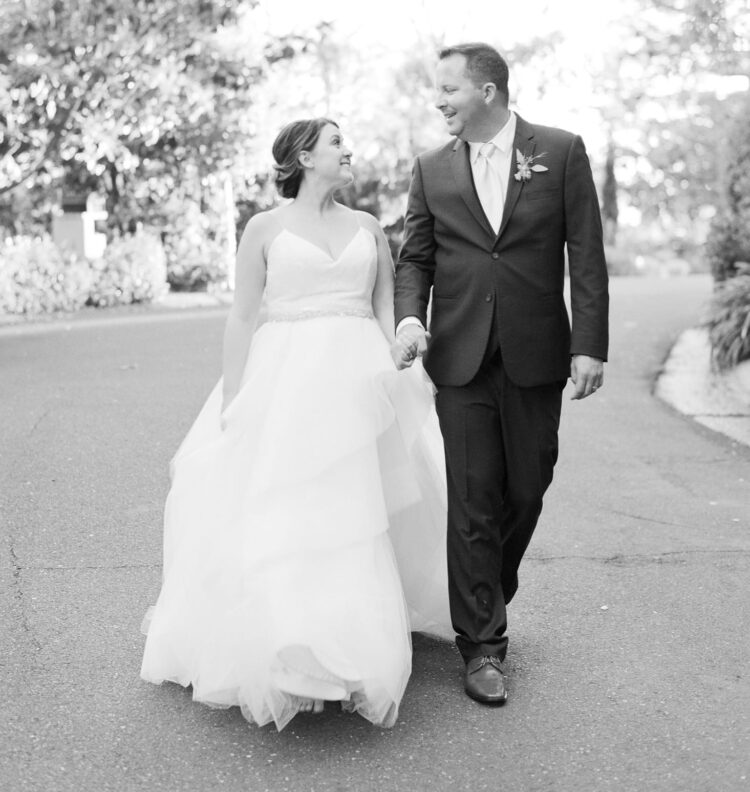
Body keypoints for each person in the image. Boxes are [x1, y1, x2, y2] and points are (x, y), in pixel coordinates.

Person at [140, 118, 450, 731]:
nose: (349, 148)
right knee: (291, 510)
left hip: (358, 379)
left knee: (353, 511)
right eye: (337, 141)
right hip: (285, 382)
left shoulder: (367, 229)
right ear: (305, 156)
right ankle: (289, 654)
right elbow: (242, 316)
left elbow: (386, 308)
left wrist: (401, 353)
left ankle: (348, 649)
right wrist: (235, 396)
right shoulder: (264, 228)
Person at [395, 43, 609, 706]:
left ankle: (485, 582)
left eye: (450, 89)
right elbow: (415, 259)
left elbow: (586, 253)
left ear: (488, 91)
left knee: (528, 484)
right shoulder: (431, 169)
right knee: (472, 495)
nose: (439, 101)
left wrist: (590, 344)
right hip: (459, 356)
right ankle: (482, 643)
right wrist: (408, 318)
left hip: (536, 351)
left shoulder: (560, 151)